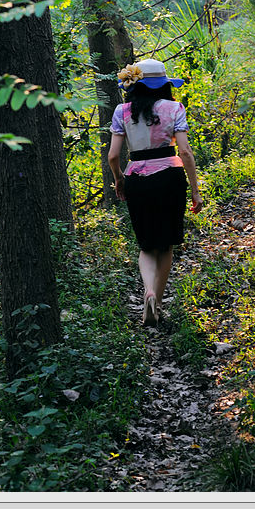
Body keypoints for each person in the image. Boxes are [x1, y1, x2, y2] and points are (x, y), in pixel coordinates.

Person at [107, 58, 203, 326]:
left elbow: (114, 155)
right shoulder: (174, 108)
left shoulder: (122, 111)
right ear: (163, 85)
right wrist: (195, 190)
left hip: (136, 178)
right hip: (170, 177)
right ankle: (157, 304)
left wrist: (119, 180)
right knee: (166, 244)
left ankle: (147, 291)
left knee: (147, 245)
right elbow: (184, 151)